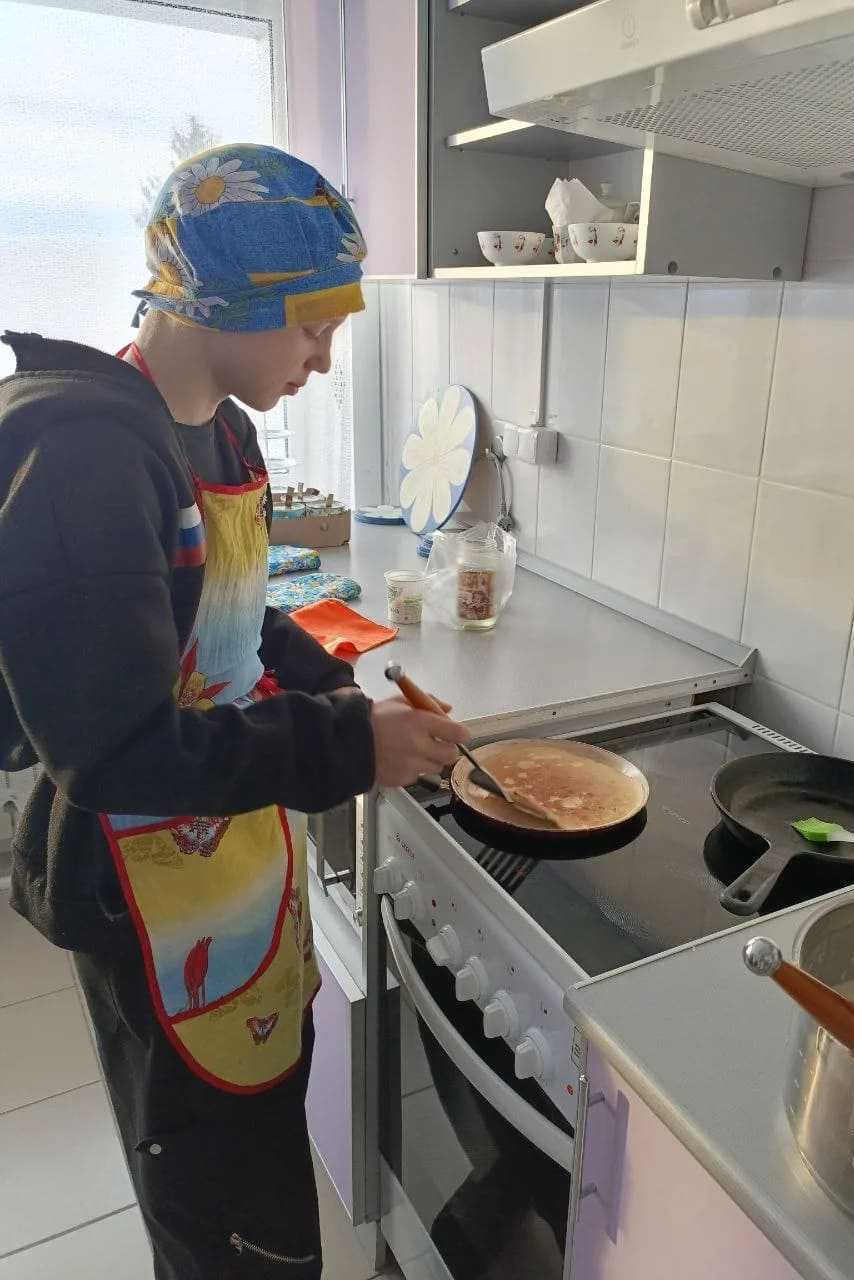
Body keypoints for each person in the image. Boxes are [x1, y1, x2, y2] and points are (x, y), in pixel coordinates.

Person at [0, 143, 467, 1278]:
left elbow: (241, 613)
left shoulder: (221, 426)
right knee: (213, 1203)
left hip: (228, 856)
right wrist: (346, 743)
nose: (324, 358)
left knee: (256, 1146)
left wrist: (335, 689)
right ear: (229, 302)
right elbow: (112, 752)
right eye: (311, 325)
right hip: (140, 881)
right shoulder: (84, 461)